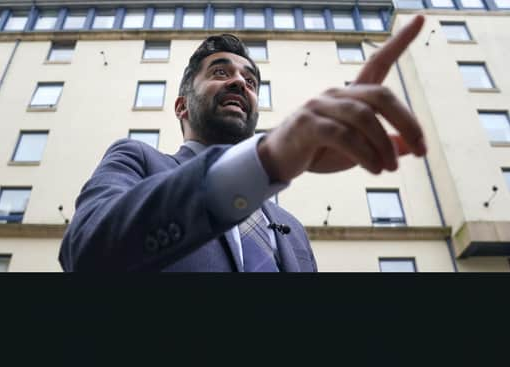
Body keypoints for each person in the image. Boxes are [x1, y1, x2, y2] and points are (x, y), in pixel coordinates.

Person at [59, 15, 427, 272]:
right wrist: (266, 159)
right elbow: (86, 254)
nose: (239, 83)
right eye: (220, 72)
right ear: (181, 105)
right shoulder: (134, 159)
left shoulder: (290, 227)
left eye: (250, 81)